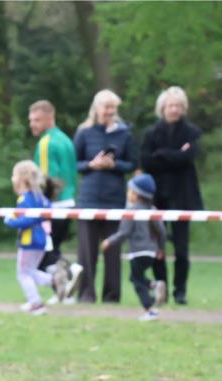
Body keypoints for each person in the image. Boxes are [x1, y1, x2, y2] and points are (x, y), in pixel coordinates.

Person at [72, 90, 138, 303]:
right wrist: (91, 164)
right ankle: (86, 294)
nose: (110, 111)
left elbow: (132, 163)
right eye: (106, 107)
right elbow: (74, 163)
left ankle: (112, 296)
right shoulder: (84, 132)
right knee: (86, 251)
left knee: (113, 249)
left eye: (113, 107)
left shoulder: (125, 134)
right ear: (96, 108)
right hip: (88, 199)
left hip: (114, 199)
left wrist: (114, 165)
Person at [140, 86, 204, 305]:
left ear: (183, 108)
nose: (174, 110)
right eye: (170, 106)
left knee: (181, 249)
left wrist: (162, 154)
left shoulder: (191, 132)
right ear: (163, 108)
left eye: (178, 106)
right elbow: (147, 161)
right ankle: (162, 288)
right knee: (157, 246)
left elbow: (188, 157)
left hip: (183, 197)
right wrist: (175, 155)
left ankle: (180, 291)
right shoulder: (151, 133)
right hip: (157, 197)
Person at [28, 99, 79, 300]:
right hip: (69, 203)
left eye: (37, 120)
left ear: (50, 118)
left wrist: (41, 207)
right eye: (31, 120)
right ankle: (65, 292)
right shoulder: (66, 140)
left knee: (43, 254)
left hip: (53, 206)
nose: (32, 124)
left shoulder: (46, 142)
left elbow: (47, 179)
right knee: (52, 249)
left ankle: (70, 275)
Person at [100, 173, 168, 321]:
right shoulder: (153, 209)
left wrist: (109, 241)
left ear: (136, 194)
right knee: (134, 276)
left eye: (129, 190)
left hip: (137, 253)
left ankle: (150, 310)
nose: (128, 193)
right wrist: (161, 248)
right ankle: (154, 285)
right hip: (151, 253)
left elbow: (124, 232)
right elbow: (162, 231)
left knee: (138, 282)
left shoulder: (131, 212)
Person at [3, 161, 58, 316]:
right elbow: (47, 209)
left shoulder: (24, 198)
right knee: (30, 271)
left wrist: (10, 221)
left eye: (14, 175)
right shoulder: (39, 196)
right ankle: (56, 281)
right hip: (41, 239)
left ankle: (36, 303)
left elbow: (28, 219)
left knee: (23, 273)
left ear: (20, 178)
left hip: (29, 240)